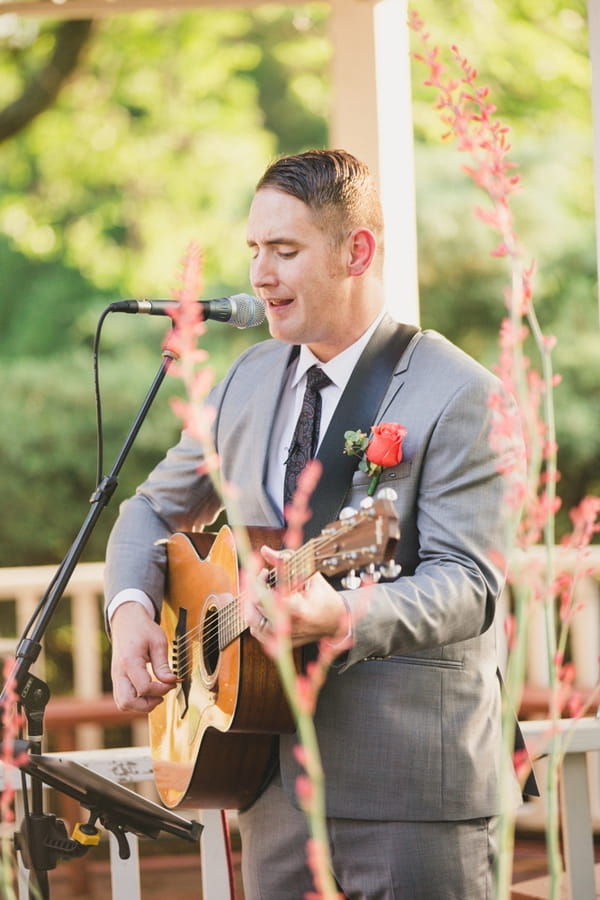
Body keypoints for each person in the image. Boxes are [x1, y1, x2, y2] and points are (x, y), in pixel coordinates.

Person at [105, 148, 522, 899]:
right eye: (255, 250)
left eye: (285, 251)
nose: (260, 276)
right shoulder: (244, 378)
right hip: (267, 778)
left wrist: (345, 613)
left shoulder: (458, 393)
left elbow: (471, 583)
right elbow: (150, 508)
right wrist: (130, 609)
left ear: (356, 251)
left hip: (409, 793)